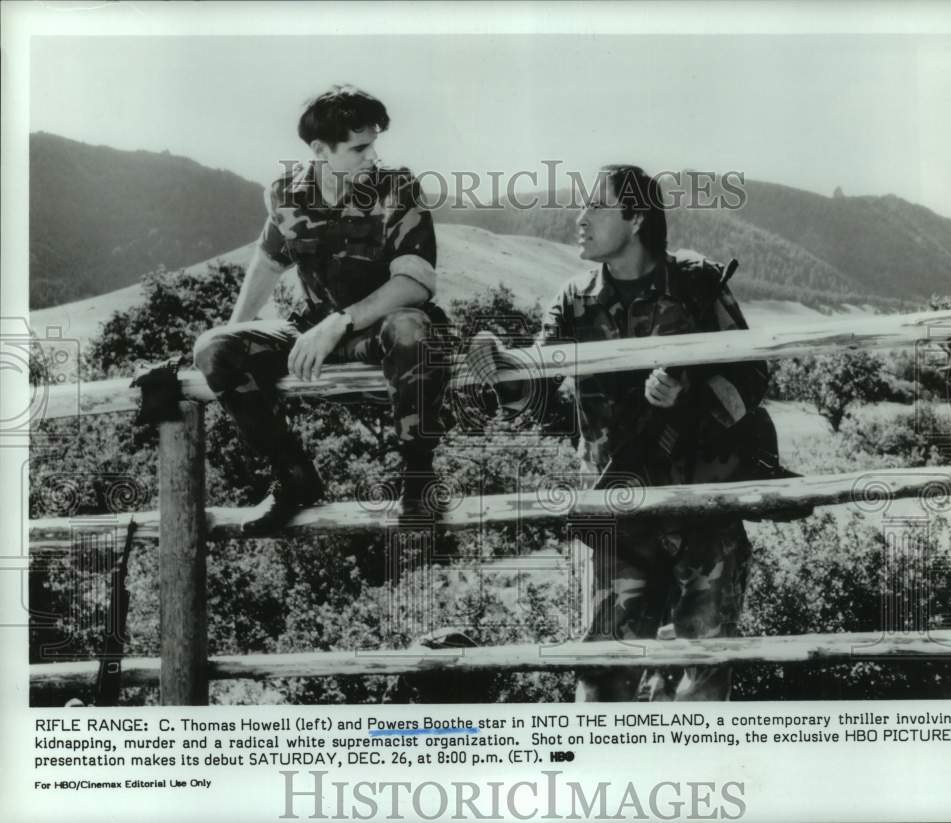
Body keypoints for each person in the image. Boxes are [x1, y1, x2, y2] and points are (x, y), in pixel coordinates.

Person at [473, 165, 769, 701]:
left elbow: (753, 374)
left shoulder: (696, 284)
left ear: (634, 218)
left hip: (703, 510)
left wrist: (689, 395)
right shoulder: (574, 298)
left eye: (596, 208)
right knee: (604, 676)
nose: (580, 219)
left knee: (702, 677)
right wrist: (502, 368)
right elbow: (539, 391)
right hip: (620, 517)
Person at [193, 85, 450, 534]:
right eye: (360, 147)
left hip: (378, 330)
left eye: (374, 143)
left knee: (411, 328)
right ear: (319, 150)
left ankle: (418, 479)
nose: (373, 156)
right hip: (312, 331)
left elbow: (415, 282)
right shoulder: (286, 195)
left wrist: (341, 321)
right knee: (212, 348)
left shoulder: (398, 187)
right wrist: (234, 336)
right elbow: (268, 262)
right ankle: (293, 477)